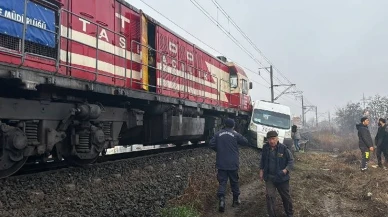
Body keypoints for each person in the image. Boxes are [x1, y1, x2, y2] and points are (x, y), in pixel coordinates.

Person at [209, 118, 249, 212]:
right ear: (233, 125)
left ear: (224, 125)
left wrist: (219, 150)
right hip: (233, 164)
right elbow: (245, 142)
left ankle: (222, 201)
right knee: (234, 181)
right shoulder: (235, 134)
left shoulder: (218, 134)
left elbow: (211, 144)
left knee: (222, 182)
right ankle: (235, 200)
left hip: (221, 163)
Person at [260, 131, 294, 217]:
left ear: (277, 138)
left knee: (285, 197)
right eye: (269, 139)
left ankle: (289, 214)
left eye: (273, 139)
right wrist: (261, 170)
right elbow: (262, 159)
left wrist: (285, 170)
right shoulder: (265, 148)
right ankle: (272, 214)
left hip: (282, 178)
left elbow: (291, 161)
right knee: (270, 197)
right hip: (269, 177)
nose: (271, 141)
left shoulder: (283, 148)